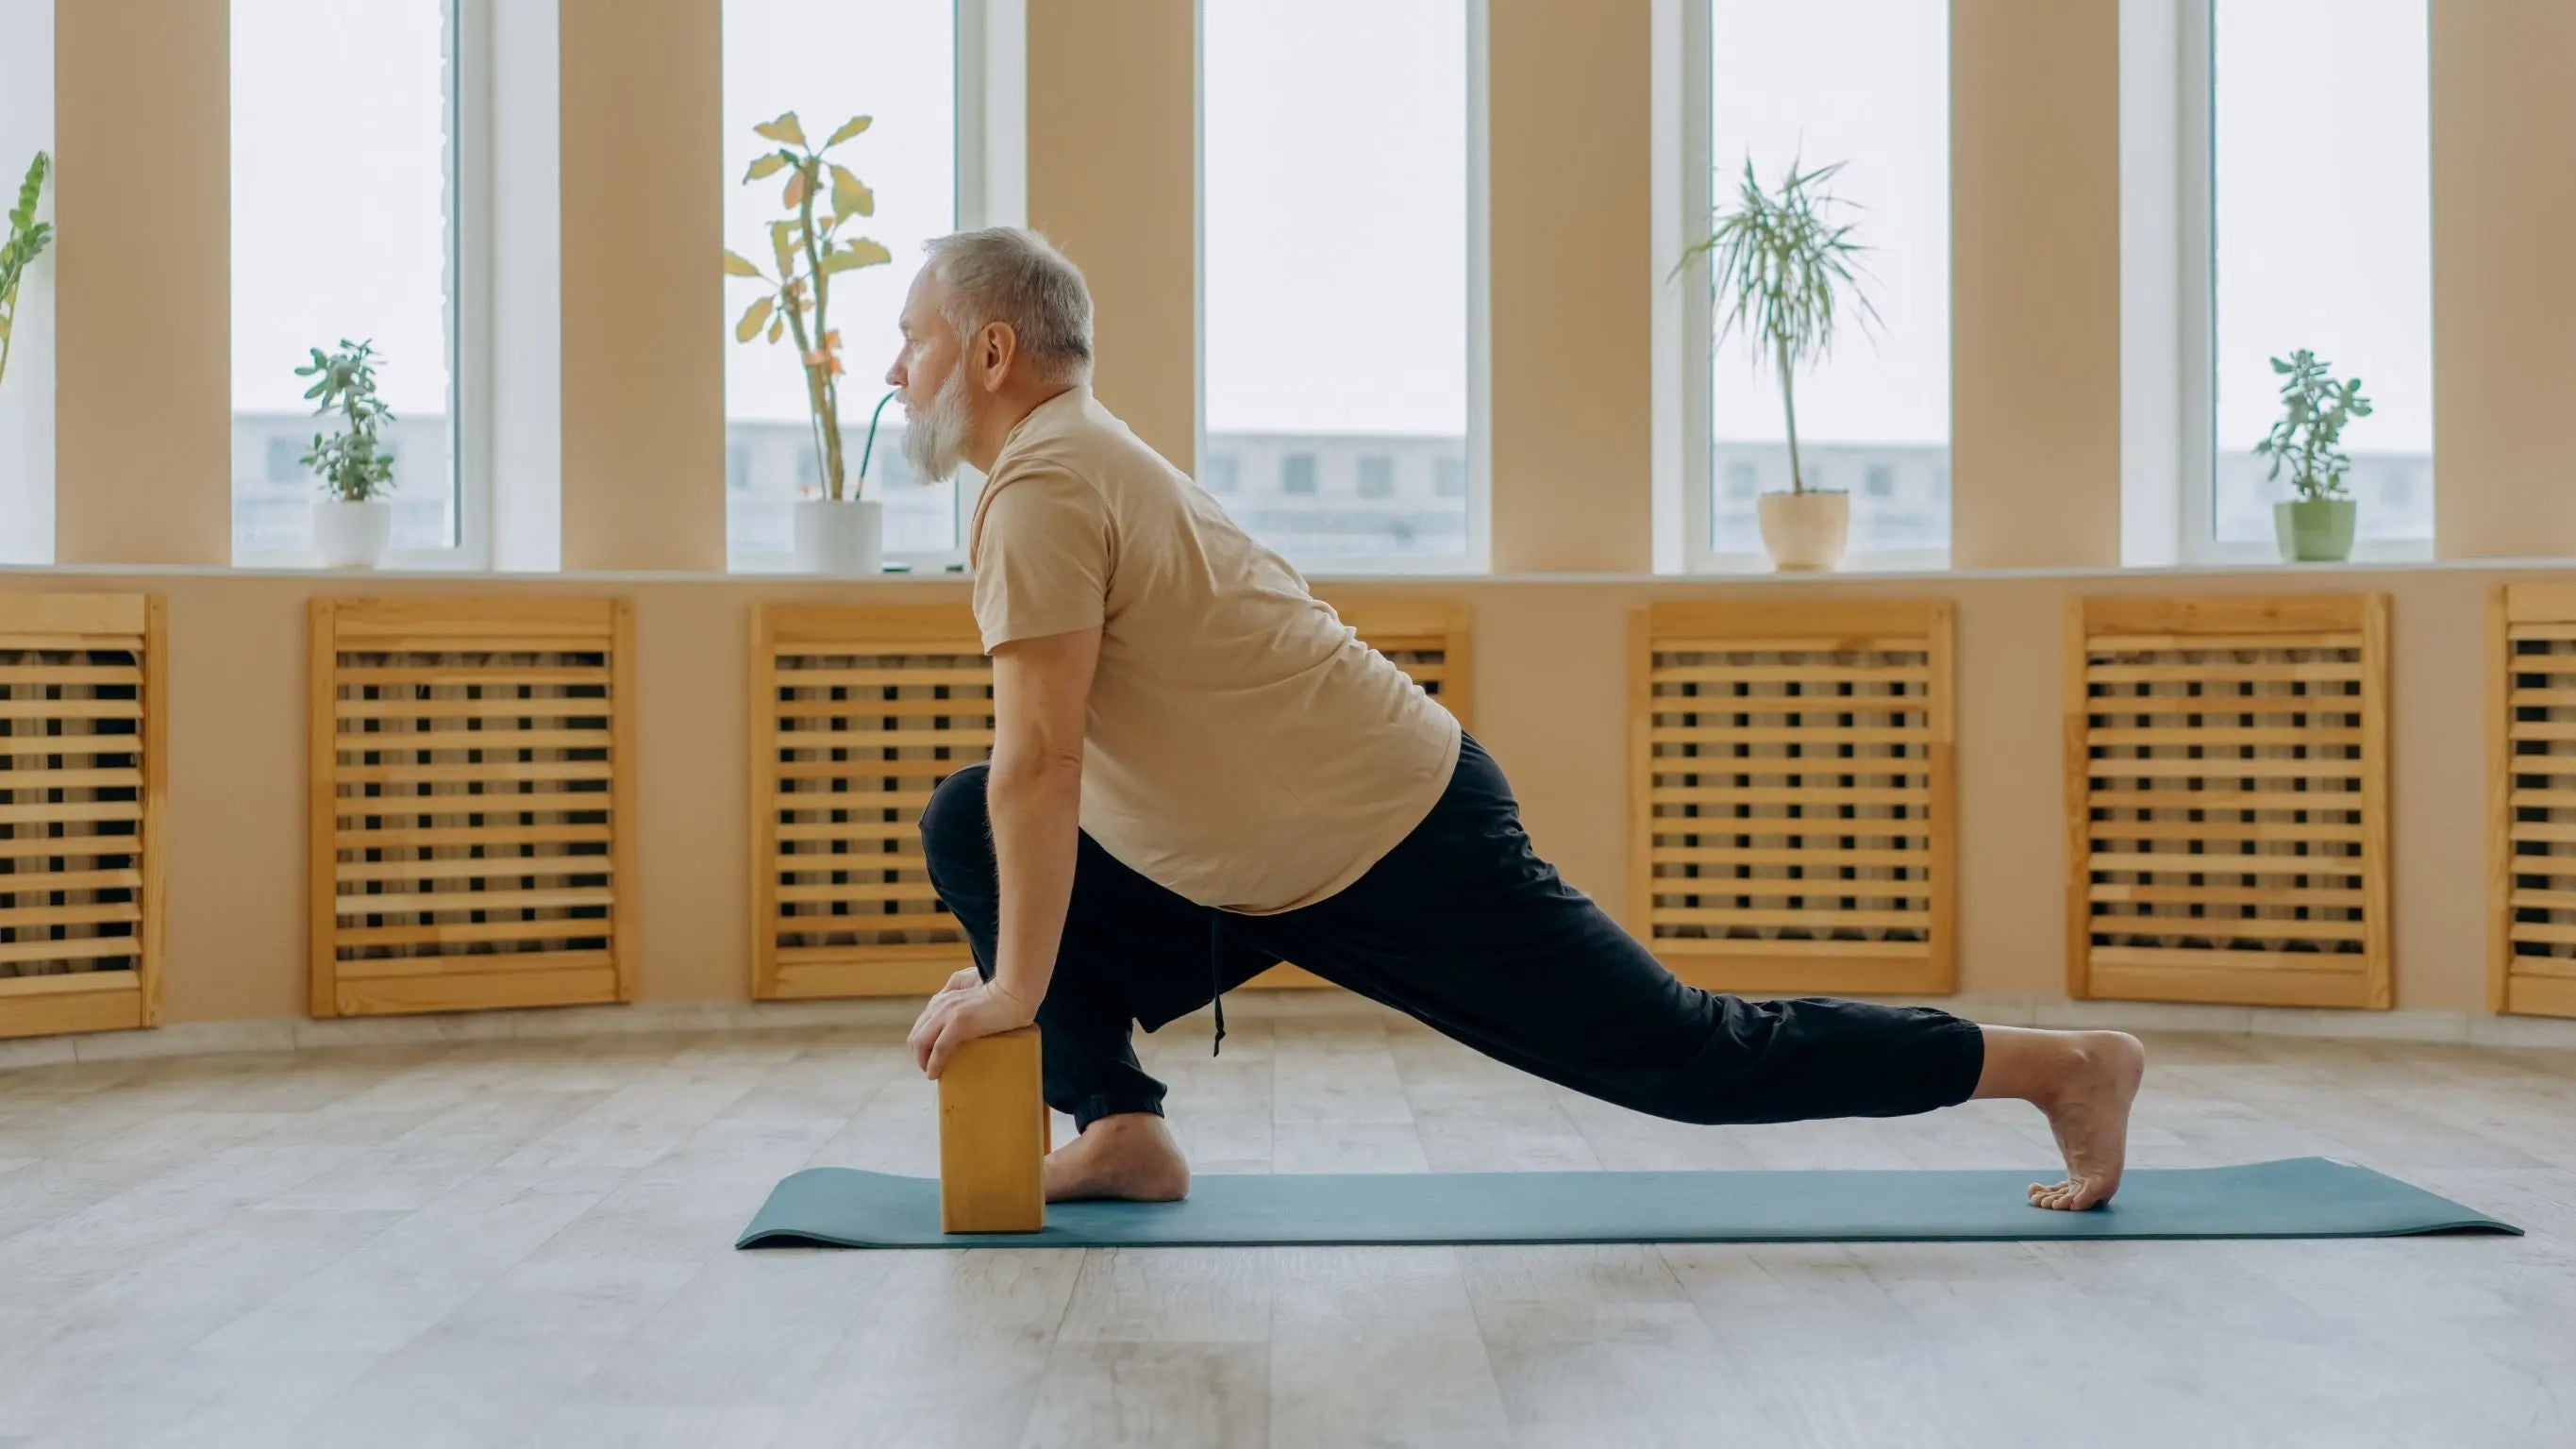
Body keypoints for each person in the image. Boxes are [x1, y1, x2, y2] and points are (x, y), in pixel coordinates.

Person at [893, 226, 2146, 1213]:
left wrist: (1015, 987)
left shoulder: (1046, 488)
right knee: (965, 820)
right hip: (1242, 855)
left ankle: (2058, 1066)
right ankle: (1119, 1130)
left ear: (993, 350)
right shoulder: (1070, 461)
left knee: (1693, 1059)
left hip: (1393, 837)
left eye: (915, 340)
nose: (898, 371)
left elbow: (1045, 758)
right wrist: (1031, 979)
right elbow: (1034, 773)